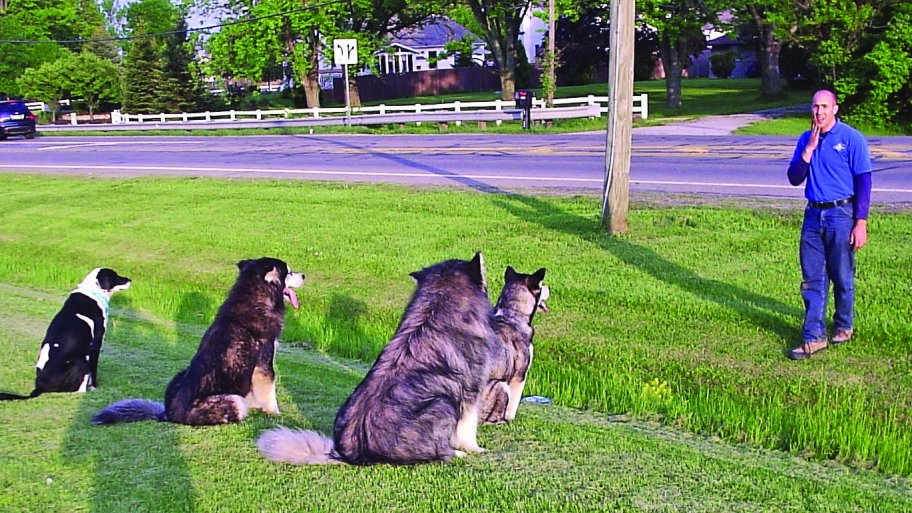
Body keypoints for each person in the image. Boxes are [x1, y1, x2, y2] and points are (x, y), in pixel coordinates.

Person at [786, 89, 872, 360]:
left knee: (842, 275)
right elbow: (794, 178)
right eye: (815, 107)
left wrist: (861, 222)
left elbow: (864, 183)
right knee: (812, 278)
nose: (819, 112)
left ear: (835, 109)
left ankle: (844, 324)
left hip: (841, 214)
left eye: (824, 106)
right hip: (813, 215)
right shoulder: (805, 139)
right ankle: (814, 336)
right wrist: (808, 151)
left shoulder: (851, 139)